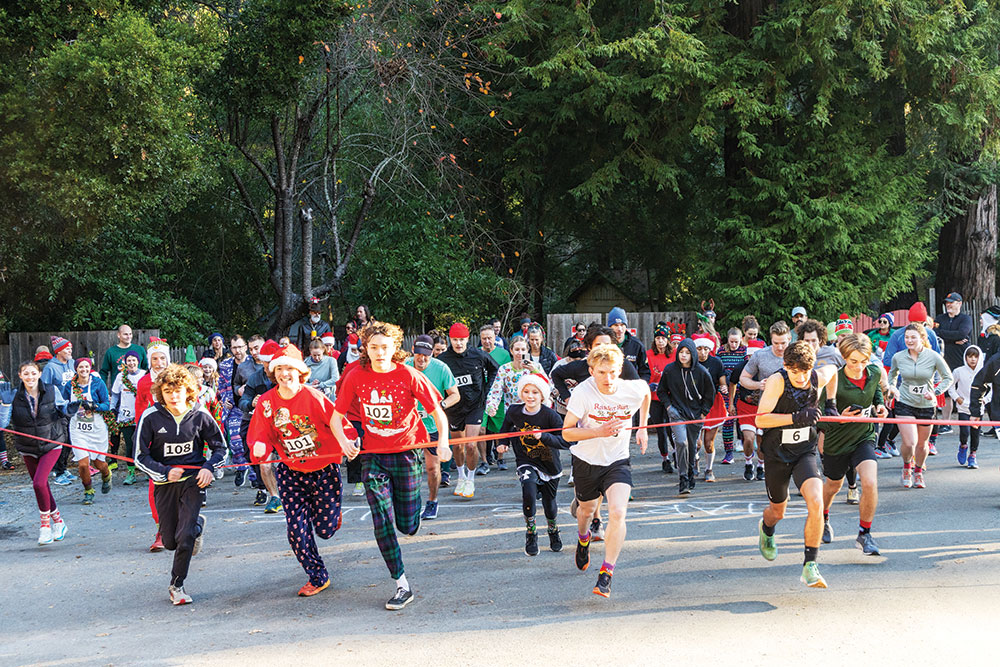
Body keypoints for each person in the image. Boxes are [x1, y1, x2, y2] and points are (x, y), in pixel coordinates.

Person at [331, 321, 452, 610]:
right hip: (373, 456)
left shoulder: (410, 375)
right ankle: (401, 583)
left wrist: (443, 442)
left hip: (407, 453)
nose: (379, 353)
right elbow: (336, 417)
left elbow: (437, 412)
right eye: (373, 347)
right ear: (366, 349)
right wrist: (345, 442)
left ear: (394, 348)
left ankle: (413, 517)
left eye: (385, 347)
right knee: (381, 520)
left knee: (407, 526)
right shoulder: (355, 376)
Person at [248, 345, 354, 597]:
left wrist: (350, 440)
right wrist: (260, 447)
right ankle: (317, 576)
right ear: (274, 373)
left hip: (324, 469)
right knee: (296, 530)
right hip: (290, 471)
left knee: (325, 530)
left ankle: (332, 515)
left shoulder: (313, 397)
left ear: (301, 372)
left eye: (290, 368)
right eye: (280, 369)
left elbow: (339, 423)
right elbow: (259, 434)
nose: (285, 374)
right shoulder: (266, 402)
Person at [563, 344, 649, 598]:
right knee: (586, 511)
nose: (608, 379)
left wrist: (642, 427)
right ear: (591, 371)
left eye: (612, 372)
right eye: (601, 372)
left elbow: (646, 394)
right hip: (586, 461)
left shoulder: (630, 388)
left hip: (617, 460)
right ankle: (582, 538)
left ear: (620, 369)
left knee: (618, 512)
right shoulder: (583, 392)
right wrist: (597, 432)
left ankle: (606, 572)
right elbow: (567, 432)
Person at [134, 364, 225, 605]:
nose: (174, 396)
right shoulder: (150, 417)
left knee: (184, 537)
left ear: (189, 391)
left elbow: (220, 449)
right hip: (164, 484)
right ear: (160, 393)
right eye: (167, 391)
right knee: (170, 541)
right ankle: (196, 527)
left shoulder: (200, 415)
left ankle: (177, 585)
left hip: (193, 483)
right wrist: (164, 471)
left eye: (178, 391)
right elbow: (139, 457)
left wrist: (208, 468)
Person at [755, 341, 839, 588]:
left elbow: (833, 371)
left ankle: (810, 565)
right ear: (785, 366)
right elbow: (761, 419)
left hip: (805, 451)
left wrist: (831, 403)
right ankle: (767, 529)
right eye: (795, 372)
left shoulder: (817, 376)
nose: (801, 378)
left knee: (816, 500)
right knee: (777, 511)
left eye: (805, 372)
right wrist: (796, 417)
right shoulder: (777, 381)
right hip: (777, 454)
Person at [818, 333, 888, 556]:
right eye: (853, 361)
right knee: (833, 486)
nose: (859, 367)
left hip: (863, 436)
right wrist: (840, 417)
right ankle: (823, 517)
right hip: (836, 441)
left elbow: (875, 391)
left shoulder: (874, 372)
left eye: (864, 361)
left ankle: (864, 533)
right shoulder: (833, 381)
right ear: (844, 357)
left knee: (869, 481)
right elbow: (819, 419)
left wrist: (880, 406)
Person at [497, 373, 568, 556]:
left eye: (535, 392)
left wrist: (543, 436)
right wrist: (502, 443)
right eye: (526, 391)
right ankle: (531, 532)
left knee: (549, 504)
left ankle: (553, 530)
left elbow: (565, 442)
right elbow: (505, 429)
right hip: (525, 460)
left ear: (542, 395)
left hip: (549, 463)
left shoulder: (550, 416)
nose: (530, 396)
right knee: (528, 491)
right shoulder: (514, 411)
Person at [8, 361, 69, 545]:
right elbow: (3, 424)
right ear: (20, 375)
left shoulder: (51, 390)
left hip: (51, 443)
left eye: (33, 373)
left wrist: (69, 411)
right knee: (42, 486)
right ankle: (59, 522)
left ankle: (45, 527)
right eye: (26, 373)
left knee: (38, 483)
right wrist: (3, 405)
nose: (30, 377)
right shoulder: (13, 395)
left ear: (40, 373)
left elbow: (63, 409)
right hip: (28, 447)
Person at [887, 323, 953, 488]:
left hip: (926, 404)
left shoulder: (933, 356)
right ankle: (907, 467)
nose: (909, 340)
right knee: (909, 442)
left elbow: (948, 378)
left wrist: (936, 392)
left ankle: (918, 471)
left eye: (913, 337)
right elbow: (892, 374)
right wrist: (892, 387)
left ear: (922, 338)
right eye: (907, 337)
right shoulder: (899, 357)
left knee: (922, 444)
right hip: (905, 402)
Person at [438, 322, 499, 499]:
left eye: (462, 340)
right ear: (450, 339)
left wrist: (486, 392)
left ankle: (471, 479)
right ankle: (461, 477)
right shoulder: (443, 359)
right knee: (458, 446)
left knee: (471, 444)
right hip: (454, 407)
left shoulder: (478, 354)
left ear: (467, 339)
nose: (458, 343)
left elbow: (495, 369)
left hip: (475, 405)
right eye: (455, 340)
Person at [406, 335, 461, 519]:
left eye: (426, 356)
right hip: (408, 428)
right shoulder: (404, 366)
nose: (421, 359)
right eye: (419, 354)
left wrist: (438, 407)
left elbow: (455, 395)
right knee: (409, 469)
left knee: (433, 468)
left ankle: (432, 501)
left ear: (431, 354)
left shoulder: (441, 368)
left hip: (432, 426)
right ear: (413, 350)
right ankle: (411, 502)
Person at [657, 339, 714, 494]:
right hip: (677, 414)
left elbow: (710, 393)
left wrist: (703, 412)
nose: (683, 355)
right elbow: (661, 391)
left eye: (687, 353)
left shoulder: (701, 372)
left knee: (691, 444)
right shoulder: (670, 370)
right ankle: (683, 478)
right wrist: (669, 407)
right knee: (681, 442)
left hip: (695, 415)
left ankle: (689, 472)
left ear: (692, 354)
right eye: (681, 352)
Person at [739, 321, 793, 481]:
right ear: (770, 340)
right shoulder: (760, 356)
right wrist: (758, 384)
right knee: (767, 447)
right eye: (776, 343)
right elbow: (743, 379)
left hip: (790, 410)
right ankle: (770, 479)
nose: (780, 347)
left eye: (784, 343)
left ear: (789, 338)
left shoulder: (797, 354)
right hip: (768, 411)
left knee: (787, 451)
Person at [135, 337, 173, 551]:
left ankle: (185, 526)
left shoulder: (176, 378)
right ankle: (161, 530)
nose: (159, 362)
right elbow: (140, 412)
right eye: (155, 359)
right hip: (155, 440)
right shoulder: (143, 383)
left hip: (179, 438)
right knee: (155, 486)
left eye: (162, 358)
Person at [485, 337, 545, 469]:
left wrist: (534, 371)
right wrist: (491, 406)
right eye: (517, 349)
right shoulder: (504, 369)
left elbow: (548, 387)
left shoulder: (536, 367)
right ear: (511, 351)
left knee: (536, 451)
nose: (520, 352)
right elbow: (495, 391)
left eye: (523, 349)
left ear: (527, 350)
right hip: (514, 416)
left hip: (534, 414)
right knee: (521, 454)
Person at [239, 340, 283, 512]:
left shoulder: (287, 376)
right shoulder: (255, 378)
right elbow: (242, 401)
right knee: (263, 464)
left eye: (269, 364)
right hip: (261, 424)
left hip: (283, 425)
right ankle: (274, 497)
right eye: (264, 364)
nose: (266, 367)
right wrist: (251, 403)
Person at [62, 358, 112, 504]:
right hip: (78, 428)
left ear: (90, 368)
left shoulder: (98, 383)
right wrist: (70, 408)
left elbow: (107, 405)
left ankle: (106, 474)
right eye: (80, 367)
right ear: (76, 369)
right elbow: (63, 404)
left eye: (86, 367)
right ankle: (88, 490)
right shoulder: (69, 386)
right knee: (83, 463)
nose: (84, 370)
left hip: (96, 428)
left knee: (98, 463)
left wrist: (94, 406)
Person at [934, 292, 973, 433]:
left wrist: (945, 335)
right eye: (947, 302)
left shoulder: (965, 319)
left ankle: (972, 422)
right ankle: (946, 423)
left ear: (959, 303)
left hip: (961, 359)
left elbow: (962, 333)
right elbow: (935, 333)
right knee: (946, 392)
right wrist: (953, 339)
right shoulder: (940, 318)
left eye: (951, 302)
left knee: (965, 389)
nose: (948, 305)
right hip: (944, 359)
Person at [41, 335, 76, 486]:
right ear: (59, 351)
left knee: (70, 440)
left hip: (72, 407)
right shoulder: (50, 367)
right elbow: (44, 387)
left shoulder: (73, 363)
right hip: (57, 410)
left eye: (70, 348)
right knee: (61, 440)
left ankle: (63, 468)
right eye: (67, 349)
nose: (70, 351)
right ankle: (58, 472)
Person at [109, 351, 146, 484]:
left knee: (145, 444)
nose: (131, 363)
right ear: (125, 362)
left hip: (143, 415)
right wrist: (112, 409)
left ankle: (148, 471)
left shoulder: (144, 375)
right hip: (126, 415)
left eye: (134, 360)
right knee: (130, 444)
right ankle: (131, 473)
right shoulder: (121, 376)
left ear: (138, 361)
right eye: (129, 360)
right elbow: (115, 395)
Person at [694, 336, 728, 483]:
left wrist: (724, 386)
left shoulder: (716, 362)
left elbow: (722, 380)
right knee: (696, 443)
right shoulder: (691, 363)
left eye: (706, 349)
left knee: (708, 443)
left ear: (710, 349)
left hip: (713, 403)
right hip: (695, 404)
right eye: (699, 349)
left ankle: (709, 469)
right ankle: (695, 461)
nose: (702, 352)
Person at [479, 324, 512, 471]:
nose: (487, 341)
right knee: (481, 430)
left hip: (498, 397)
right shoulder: (476, 353)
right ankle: (484, 461)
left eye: (490, 338)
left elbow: (506, 375)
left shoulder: (503, 354)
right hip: (480, 398)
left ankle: (500, 458)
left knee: (499, 430)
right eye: (484, 338)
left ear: (495, 338)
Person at [948, 346, 983, 468]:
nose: (973, 359)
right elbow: (950, 386)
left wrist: (985, 400)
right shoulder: (958, 371)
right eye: (970, 356)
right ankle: (963, 446)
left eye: (975, 356)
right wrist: (957, 398)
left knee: (975, 433)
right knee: (964, 431)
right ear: (966, 357)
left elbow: (991, 388)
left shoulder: (983, 370)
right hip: (963, 407)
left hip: (978, 408)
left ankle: (973, 455)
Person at [716, 328, 747, 464]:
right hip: (726, 390)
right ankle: (728, 453)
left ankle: (748, 451)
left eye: (736, 342)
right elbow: (718, 370)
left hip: (741, 389)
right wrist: (721, 383)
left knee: (744, 421)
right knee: (727, 420)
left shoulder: (745, 351)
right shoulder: (721, 351)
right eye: (731, 342)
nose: (734, 345)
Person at [646, 324, 674, 473]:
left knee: (672, 428)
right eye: (658, 338)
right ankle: (665, 459)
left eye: (663, 338)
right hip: (654, 397)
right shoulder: (648, 354)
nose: (660, 341)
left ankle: (677, 453)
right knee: (661, 429)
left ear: (667, 340)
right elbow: (644, 373)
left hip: (671, 398)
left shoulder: (674, 354)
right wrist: (649, 384)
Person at [607, 307, 650, 381]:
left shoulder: (637, 345)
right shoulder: (605, 345)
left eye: (622, 325)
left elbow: (645, 371)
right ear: (610, 327)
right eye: (616, 325)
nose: (619, 329)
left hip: (631, 388)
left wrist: (640, 386)